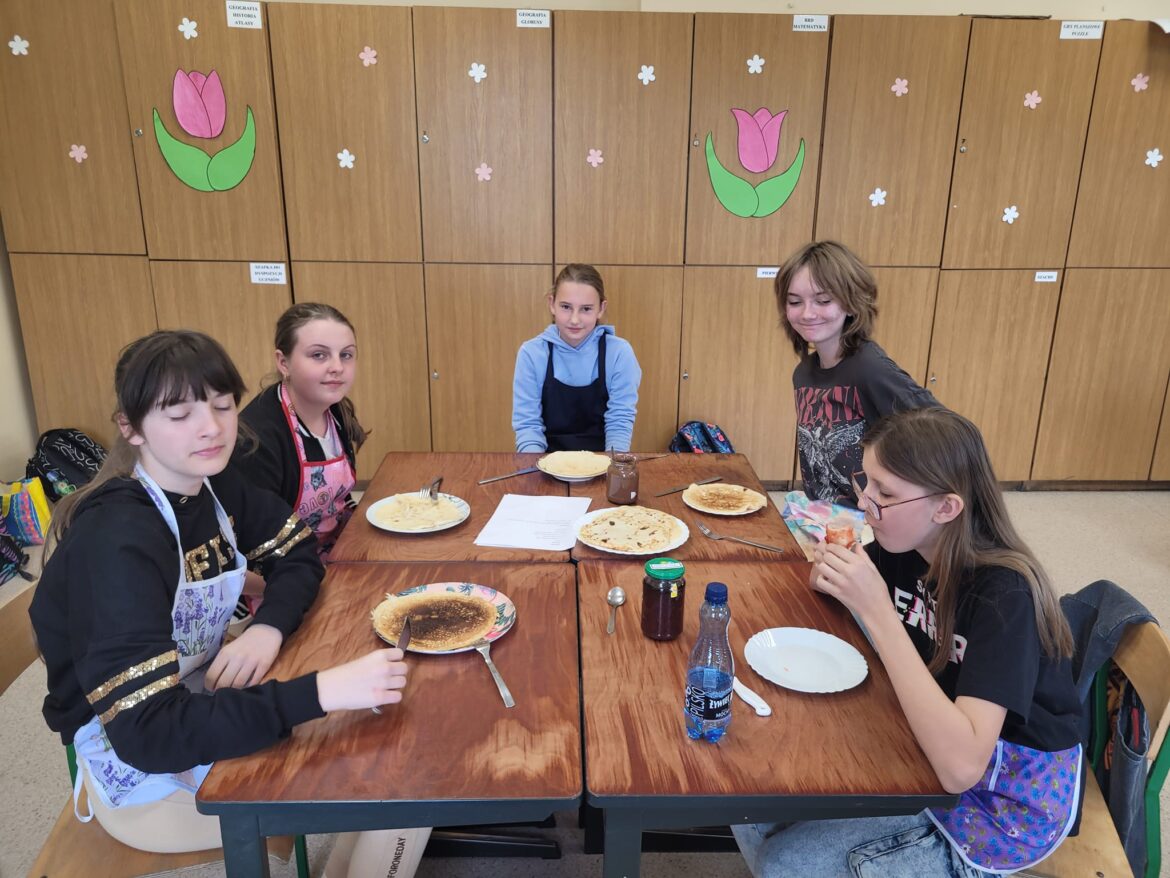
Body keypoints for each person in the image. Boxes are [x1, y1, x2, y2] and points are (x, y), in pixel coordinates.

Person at [29, 330, 418, 866]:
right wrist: (321, 691)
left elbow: (298, 553)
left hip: (202, 689)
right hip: (137, 760)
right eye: (179, 414)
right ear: (130, 427)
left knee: (390, 741)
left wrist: (267, 628)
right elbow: (149, 732)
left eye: (222, 405)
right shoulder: (117, 541)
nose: (211, 428)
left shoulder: (211, 483)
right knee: (393, 786)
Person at [734, 407, 1083, 877]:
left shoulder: (1005, 596)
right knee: (750, 799)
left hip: (997, 807)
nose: (864, 505)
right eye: (867, 483)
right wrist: (832, 573)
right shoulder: (907, 544)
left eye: (886, 493)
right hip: (924, 742)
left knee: (785, 863)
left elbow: (961, 769)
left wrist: (878, 610)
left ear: (946, 508)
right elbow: (841, 593)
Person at [776, 241, 937, 506]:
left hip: (870, 521)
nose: (807, 313)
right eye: (794, 301)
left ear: (851, 303)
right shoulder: (803, 374)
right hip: (824, 516)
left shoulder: (869, 368)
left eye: (823, 300)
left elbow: (948, 433)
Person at [234, 302, 365, 560]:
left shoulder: (336, 410)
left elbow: (339, 500)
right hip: (285, 569)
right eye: (319, 355)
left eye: (346, 355)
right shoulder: (255, 440)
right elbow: (258, 543)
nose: (337, 367)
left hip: (335, 548)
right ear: (283, 362)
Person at [512, 263, 641, 453]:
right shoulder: (531, 353)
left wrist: (612, 467)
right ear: (552, 304)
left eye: (586, 309)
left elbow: (619, 422)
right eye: (566, 307)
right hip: (544, 462)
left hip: (603, 461)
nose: (574, 319)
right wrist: (535, 468)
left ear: (601, 308)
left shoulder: (619, 353)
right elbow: (528, 425)